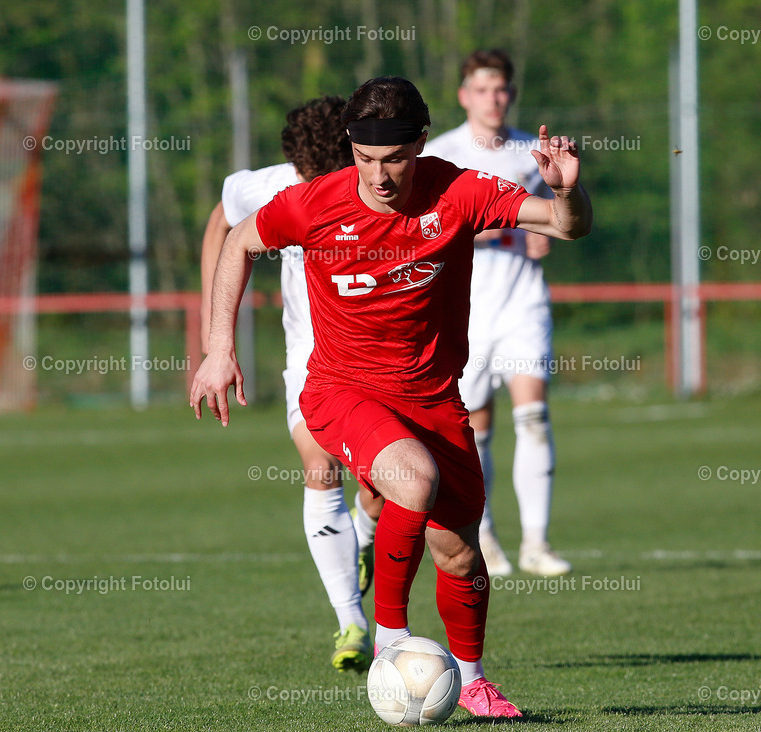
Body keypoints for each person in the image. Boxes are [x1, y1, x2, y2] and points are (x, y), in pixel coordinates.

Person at [189, 76, 591, 718]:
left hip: (434, 399)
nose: (379, 176)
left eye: (395, 160)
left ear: (420, 145)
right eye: (365, 158)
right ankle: (391, 642)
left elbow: (567, 227)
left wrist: (566, 188)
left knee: (459, 553)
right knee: (412, 477)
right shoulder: (313, 203)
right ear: (350, 146)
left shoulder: (457, 190)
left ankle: (472, 677)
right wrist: (218, 346)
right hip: (340, 390)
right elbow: (238, 241)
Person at [199, 96, 372, 671]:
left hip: (379, 356)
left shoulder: (378, 183)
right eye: (310, 180)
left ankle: (364, 538)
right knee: (319, 462)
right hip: (311, 357)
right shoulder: (273, 187)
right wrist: (214, 336)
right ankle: (352, 621)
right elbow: (222, 221)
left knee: (381, 486)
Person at [411, 48, 570, 578]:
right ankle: (486, 536)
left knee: (535, 417)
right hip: (467, 305)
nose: (493, 99)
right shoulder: (442, 154)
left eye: (500, 89)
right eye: (482, 90)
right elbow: (432, 229)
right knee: (475, 429)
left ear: (511, 94)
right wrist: (512, 227)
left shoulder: (531, 150)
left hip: (523, 301)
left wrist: (552, 226)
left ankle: (538, 543)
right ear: (463, 96)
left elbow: (557, 217)